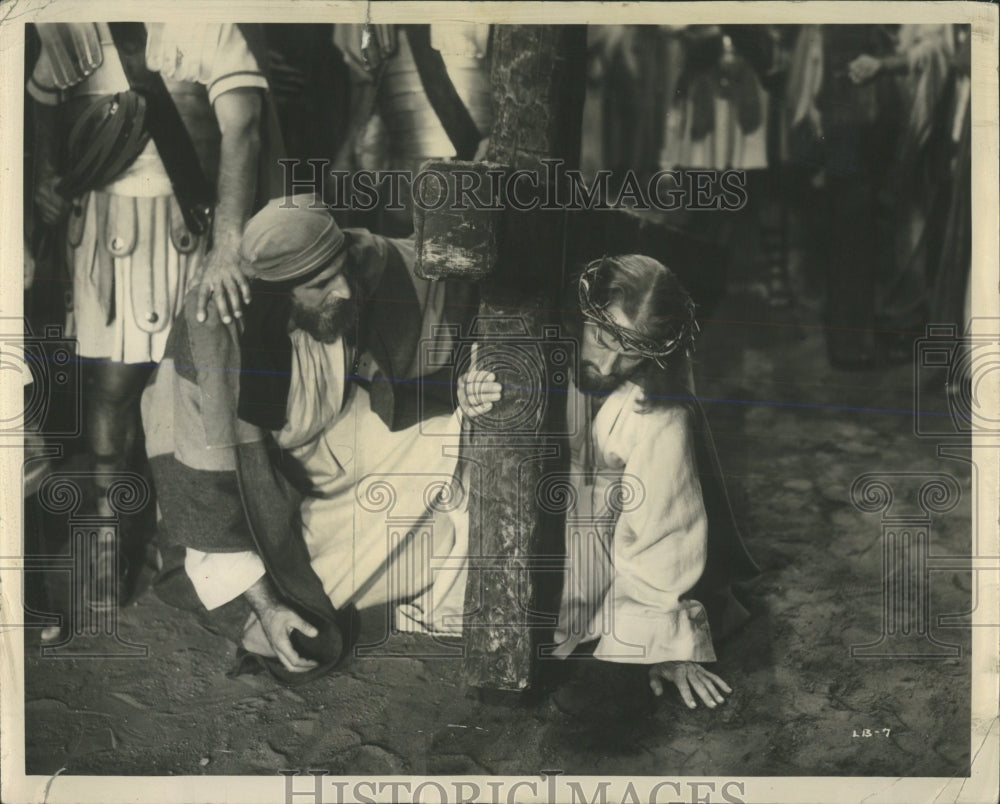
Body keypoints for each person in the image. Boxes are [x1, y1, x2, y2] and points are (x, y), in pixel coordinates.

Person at [141, 196, 474, 680]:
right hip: (250, 491)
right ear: (275, 292)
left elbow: (433, 269)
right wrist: (266, 607)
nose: (344, 290)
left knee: (455, 434)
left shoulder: (355, 263)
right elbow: (199, 494)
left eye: (340, 271)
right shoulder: (212, 337)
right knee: (297, 624)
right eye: (320, 285)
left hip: (329, 453)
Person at [28, 22, 281, 609]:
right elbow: (43, 92)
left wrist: (227, 244)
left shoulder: (204, 15)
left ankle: (196, 543)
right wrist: (44, 172)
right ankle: (106, 538)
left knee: (188, 386)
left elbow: (242, 127)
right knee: (112, 390)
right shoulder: (77, 15)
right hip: (107, 223)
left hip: (193, 227)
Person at [458, 254, 759, 709]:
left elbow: (665, 528)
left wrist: (663, 644)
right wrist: (471, 398)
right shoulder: (535, 338)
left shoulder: (657, 410)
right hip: (495, 527)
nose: (609, 362)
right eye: (602, 336)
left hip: (592, 556)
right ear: (583, 312)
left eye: (632, 350)